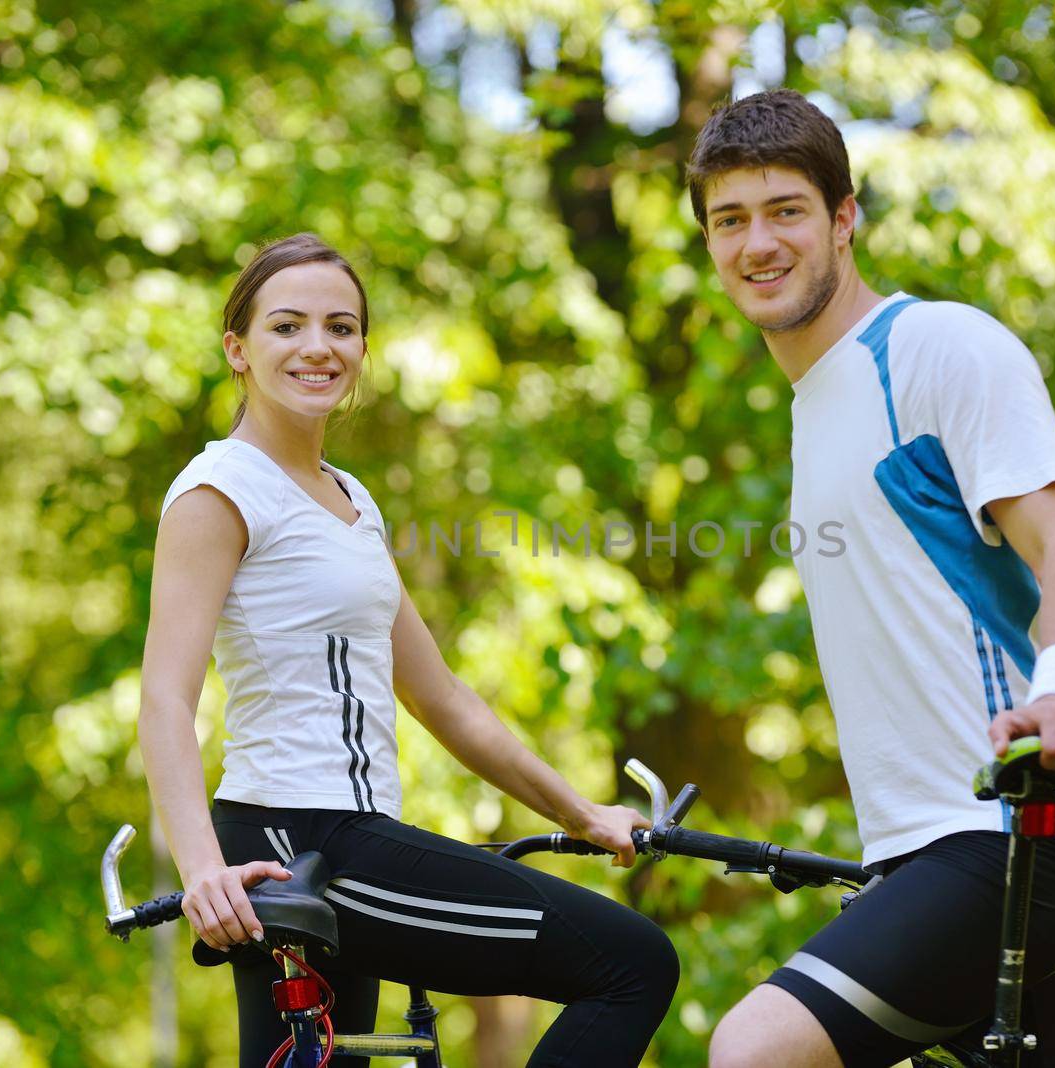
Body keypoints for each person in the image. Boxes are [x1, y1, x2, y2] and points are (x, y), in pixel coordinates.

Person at [137, 233, 678, 1068]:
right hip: (297, 842)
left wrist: (581, 814)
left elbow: (441, 698)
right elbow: (166, 698)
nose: (318, 346)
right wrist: (203, 869)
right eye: (288, 326)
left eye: (341, 327)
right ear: (237, 350)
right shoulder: (220, 491)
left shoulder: (351, 500)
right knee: (632, 963)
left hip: (344, 837)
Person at [685, 91, 1055, 1067]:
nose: (757, 242)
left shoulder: (932, 348)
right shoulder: (815, 408)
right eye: (730, 221)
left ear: (845, 219)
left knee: (752, 1051)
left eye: (785, 211)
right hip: (923, 850)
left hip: (1023, 828)